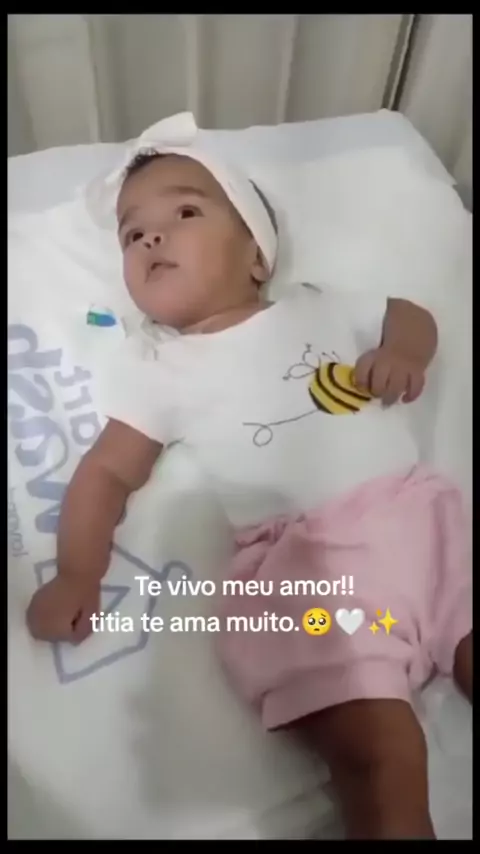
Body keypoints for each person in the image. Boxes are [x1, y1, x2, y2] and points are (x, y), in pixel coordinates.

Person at [26, 147, 472, 839]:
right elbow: (106, 473)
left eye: (185, 212)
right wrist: (78, 572)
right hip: (315, 578)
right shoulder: (161, 371)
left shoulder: (316, 304)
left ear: (257, 257)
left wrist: (404, 352)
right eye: (132, 232)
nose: (151, 237)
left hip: (421, 530)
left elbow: (408, 314)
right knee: (378, 757)